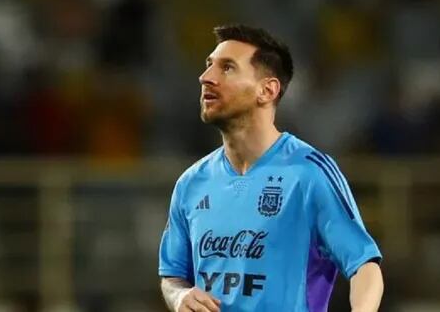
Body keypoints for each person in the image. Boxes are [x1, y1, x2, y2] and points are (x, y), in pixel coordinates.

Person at [159, 25, 383, 311]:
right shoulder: (191, 183)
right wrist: (179, 296)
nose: (206, 78)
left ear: (267, 90)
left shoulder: (309, 173)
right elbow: (172, 275)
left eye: (227, 68)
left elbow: (365, 267)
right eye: (208, 66)